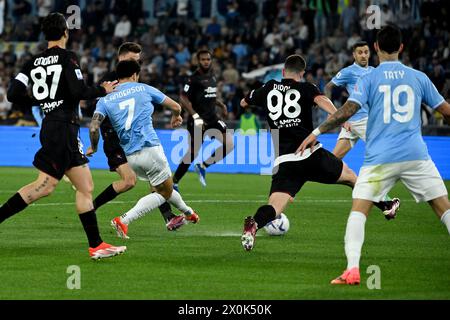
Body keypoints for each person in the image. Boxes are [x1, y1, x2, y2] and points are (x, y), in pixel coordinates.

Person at [298, 25, 450, 285]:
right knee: (443, 208)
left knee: (359, 210)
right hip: (416, 156)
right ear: (401, 48)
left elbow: (347, 111)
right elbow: (446, 111)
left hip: (381, 158)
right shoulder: (419, 77)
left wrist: (318, 130)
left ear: (376, 48)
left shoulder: (369, 79)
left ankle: (353, 270)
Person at [240, 54, 401, 251]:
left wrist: (257, 99)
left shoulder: (268, 88)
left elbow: (243, 103)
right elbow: (323, 100)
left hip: (285, 161)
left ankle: (254, 224)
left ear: (283, 72)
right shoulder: (307, 87)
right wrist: (340, 117)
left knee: (274, 207)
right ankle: (385, 205)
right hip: (310, 154)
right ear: (302, 73)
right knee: (351, 177)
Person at [1, 13, 125, 260]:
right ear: (66, 32)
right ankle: (96, 245)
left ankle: (96, 245)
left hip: (52, 125)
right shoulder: (68, 58)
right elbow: (78, 91)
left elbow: (13, 94)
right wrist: (103, 89)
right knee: (42, 186)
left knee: (85, 186)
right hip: (63, 128)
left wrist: (40, 99)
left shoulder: (32, 62)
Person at [89, 60, 200, 239]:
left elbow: (94, 127)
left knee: (165, 188)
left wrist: (93, 146)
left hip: (131, 157)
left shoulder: (105, 99)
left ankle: (189, 214)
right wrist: (176, 117)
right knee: (163, 192)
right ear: (135, 74)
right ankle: (124, 220)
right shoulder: (144, 88)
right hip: (150, 149)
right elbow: (176, 106)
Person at [87, 42, 177, 226]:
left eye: (139, 60)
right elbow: (98, 112)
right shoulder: (110, 81)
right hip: (114, 138)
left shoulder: (133, 81)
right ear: (122, 58)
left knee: (154, 177)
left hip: (133, 139)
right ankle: (91, 208)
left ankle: (169, 217)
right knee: (129, 181)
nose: (138, 65)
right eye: (134, 60)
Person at [325, 41, 400, 220]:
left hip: (367, 120)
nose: (364, 55)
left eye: (366, 52)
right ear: (354, 55)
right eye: (360, 52)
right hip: (357, 121)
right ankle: (383, 199)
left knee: (332, 164)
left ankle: (383, 200)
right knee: (332, 164)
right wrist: (337, 115)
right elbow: (328, 87)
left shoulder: (375, 72)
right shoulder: (349, 72)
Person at [173, 50, 234, 189]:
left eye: (208, 59)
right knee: (193, 153)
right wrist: (195, 115)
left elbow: (209, 95)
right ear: (198, 61)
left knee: (229, 144)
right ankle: (175, 182)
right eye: (203, 59)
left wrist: (221, 104)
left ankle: (203, 165)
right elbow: (183, 97)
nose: (206, 61)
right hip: (197, 121)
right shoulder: (193, 78)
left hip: (212, 118)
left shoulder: (212, 76)